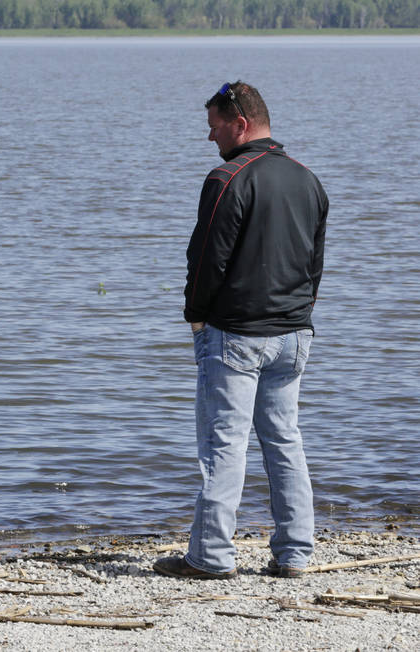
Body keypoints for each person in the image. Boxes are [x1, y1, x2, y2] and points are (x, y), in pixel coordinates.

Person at [154, 81, 329, 580]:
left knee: (223, 444)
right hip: (294, 334)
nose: (211, 139)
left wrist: (196, 315)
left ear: (241, 124)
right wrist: (300, 317)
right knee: (284, 441)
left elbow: (207, 256)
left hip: (235, 334)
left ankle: (210, 556)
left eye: (214, 128)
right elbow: (314, 265)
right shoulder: (308, 180)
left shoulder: (228, 177)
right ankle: (295, 553)